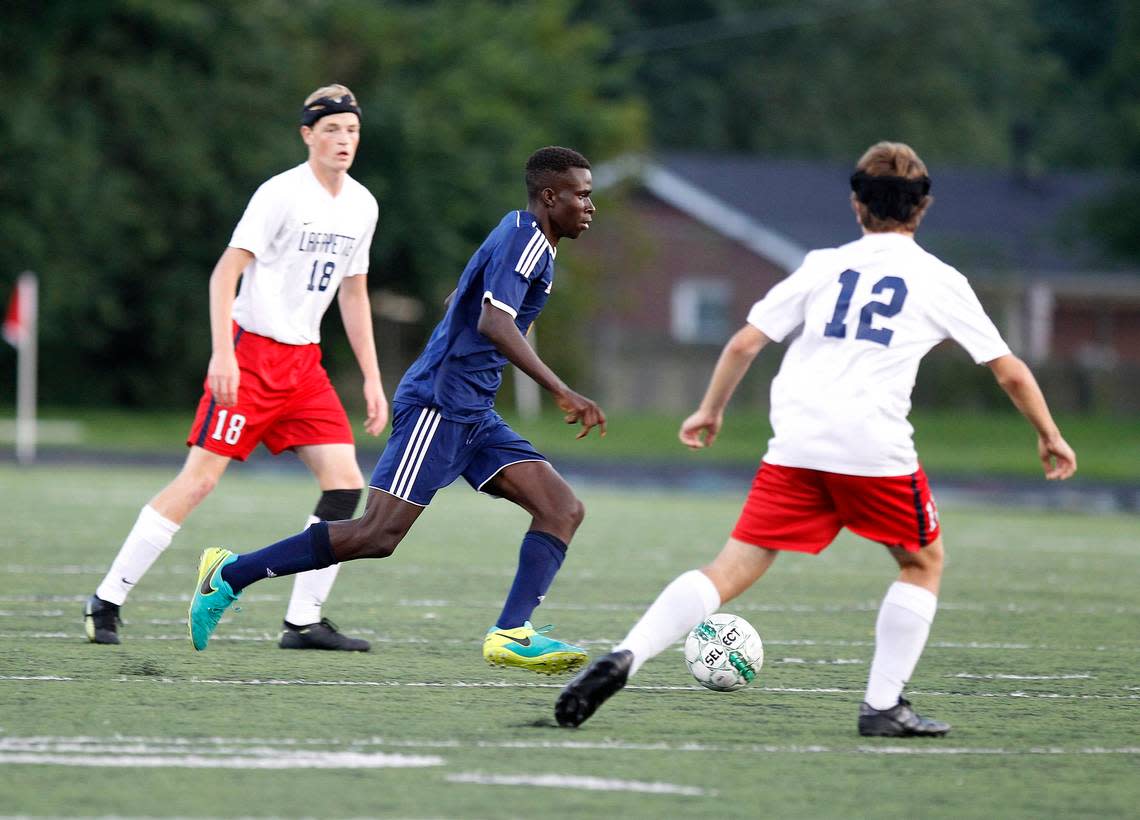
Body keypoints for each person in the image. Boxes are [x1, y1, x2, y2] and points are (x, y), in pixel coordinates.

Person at [555, 141, 1078, 735]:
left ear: (857, 204)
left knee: (730, 568)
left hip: (797, 443)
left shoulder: (822, 265)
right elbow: (1008, 369)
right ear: (923, 207)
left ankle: (627, 653)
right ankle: (883, 707)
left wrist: (709, 411)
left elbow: (744, 343)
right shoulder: (940, 279)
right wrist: (1050, 435)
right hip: (873, 449)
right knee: (922, 562)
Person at [186, 146, 605, 674]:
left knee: (561, 508)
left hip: (472, 411)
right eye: (582, 195)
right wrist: (561, 390)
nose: (590, 207)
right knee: (376, 535)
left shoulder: (522, 233)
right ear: (550, 196)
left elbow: (461, 299)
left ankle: (512, 632)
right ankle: (231, 574)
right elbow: (492, 323)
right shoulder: (527, 242)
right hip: (439, 405)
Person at [84, 84, 387, 652]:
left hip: (304, 367)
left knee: (346, 485)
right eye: (331, 131)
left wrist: (371, 377)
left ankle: (302, 622)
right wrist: (224, 353)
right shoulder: (279, 194)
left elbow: (354, 294)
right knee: (198, 482)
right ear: (307, 136)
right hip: (251, 358)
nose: (343, 141)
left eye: (351, 131)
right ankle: (107, 599)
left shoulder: (363, 204)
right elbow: (225, 274)